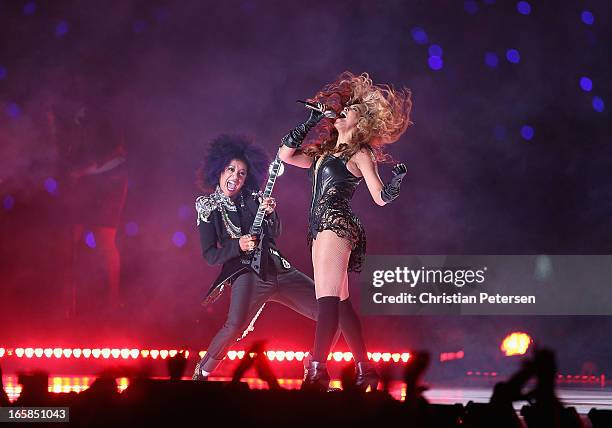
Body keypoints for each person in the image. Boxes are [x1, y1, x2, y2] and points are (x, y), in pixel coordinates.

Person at [279, 71, 412, 391]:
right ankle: (366, 370)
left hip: (334, 225)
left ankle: (316, 369)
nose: (341, 112)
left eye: (349, 109)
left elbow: (379, 198)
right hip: (321, 228)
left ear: (360, 121)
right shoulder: (323, 152)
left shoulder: (360, 153)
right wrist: (310, 121)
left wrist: (395, 184)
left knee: (326, 300)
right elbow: (285, 155)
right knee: (339, 303)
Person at [192, 135, 337, 380]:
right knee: (235, 326)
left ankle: (314, 364)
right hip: (247, 274)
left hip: (279, 269)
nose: (235, 177)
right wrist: (237, 245)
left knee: (332, 313)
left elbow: (274, 233)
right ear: (218, 170)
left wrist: (270, 213)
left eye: (241, 173)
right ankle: (202, 373)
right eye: (231, 170)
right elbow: (210, 255)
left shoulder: (253, 199)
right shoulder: (208, 208)